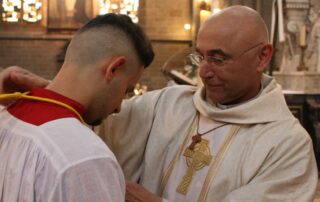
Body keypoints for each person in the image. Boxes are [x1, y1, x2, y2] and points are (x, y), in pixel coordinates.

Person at [0, 6, 317, 202]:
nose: (203, 71)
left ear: (263, 56)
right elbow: (96, 112)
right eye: (200, 56)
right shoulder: (168, 104)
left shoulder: (288, 145)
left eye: (218, 58)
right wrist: (47, 90)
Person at [0, 13, 154, 202]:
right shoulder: (87, 158)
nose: (119, 108)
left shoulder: (5, 116)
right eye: (126, 90)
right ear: (114, 69)